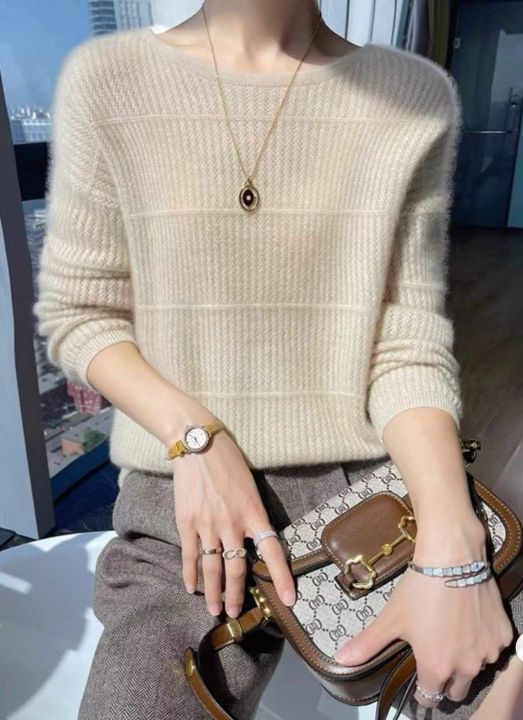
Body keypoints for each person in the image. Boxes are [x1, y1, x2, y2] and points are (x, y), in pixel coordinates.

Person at [33, 1, 520, 718]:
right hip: (185, 514)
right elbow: (81, 313)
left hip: (374, 501)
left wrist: (454, 548)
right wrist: (195, 437)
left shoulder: (412, 94)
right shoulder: (110, 78)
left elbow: (403, 343)